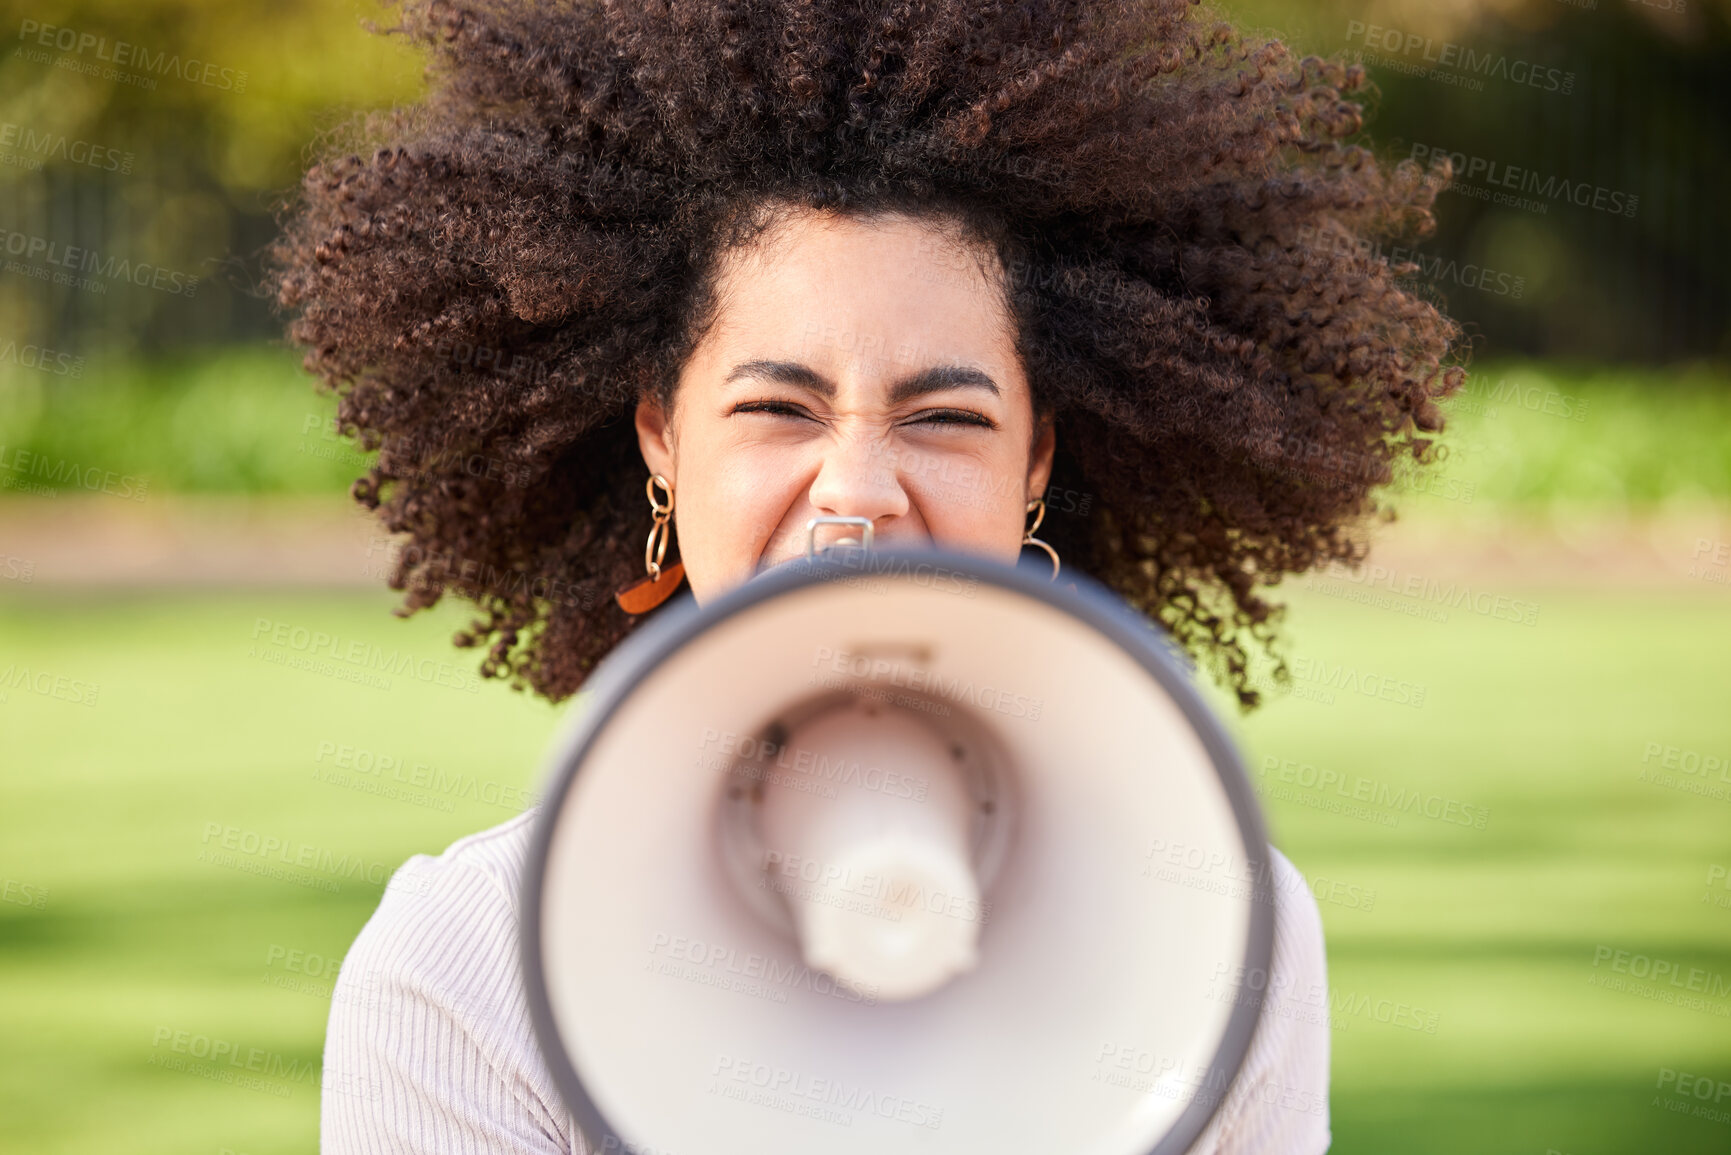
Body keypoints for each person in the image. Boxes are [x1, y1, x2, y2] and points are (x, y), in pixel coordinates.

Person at [271, 1, 1464, 1151]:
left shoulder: (1227, 933)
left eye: (943, 417)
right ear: (662, 447)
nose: (859, 487)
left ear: (1034, 459)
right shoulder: (457, 974)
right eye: (779, 407)